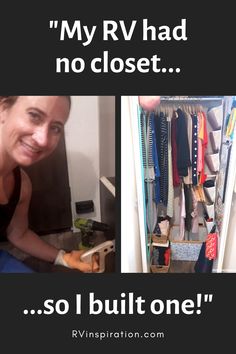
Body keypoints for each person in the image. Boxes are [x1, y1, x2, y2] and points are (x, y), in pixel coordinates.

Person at [0, 96, 98, 273]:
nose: (43, 139)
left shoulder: (22, 185)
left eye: (55, 128)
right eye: (34, 116)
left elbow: (18, 234)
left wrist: (63, 257)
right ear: (3, 109)